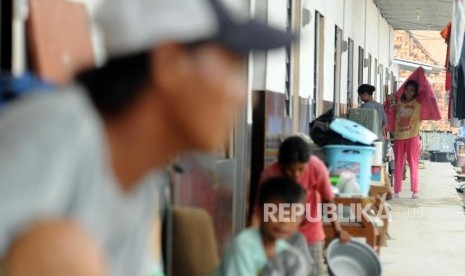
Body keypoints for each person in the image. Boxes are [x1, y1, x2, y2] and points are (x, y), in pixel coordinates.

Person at [0, 0, 294, 275]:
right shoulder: (57, 131)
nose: (244, 96)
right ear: (168, 63)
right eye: (233, 67)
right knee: (63, 251)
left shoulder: (139, 182)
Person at [258, 136, 351, 276]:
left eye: (301, 169)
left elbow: (328, 199)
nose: (296, 175)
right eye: (290, 170)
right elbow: (259, 211)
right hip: (278, 234)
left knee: (314, 271)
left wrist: (337, 229)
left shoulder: (316, 167)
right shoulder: (270, 174)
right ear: (281, 165)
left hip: (310, 232)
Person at [215, 177, 311, 276]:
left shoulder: (285, 251)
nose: (284, 222)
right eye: (276, 213)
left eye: (293, 216)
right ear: (259, 211)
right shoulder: (243, 247)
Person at [386, 80, 421, 199]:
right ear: (404, 90)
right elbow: (389, 113)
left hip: (412, 137)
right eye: (407, 89)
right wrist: (390, 101)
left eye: (412, 90)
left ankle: (415, 190)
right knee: (398, 164)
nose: (408, 92)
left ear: (415, 92)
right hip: (399, 137)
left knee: (413, 163)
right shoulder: (398, 103)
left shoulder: (418, 104)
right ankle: (396, 191)